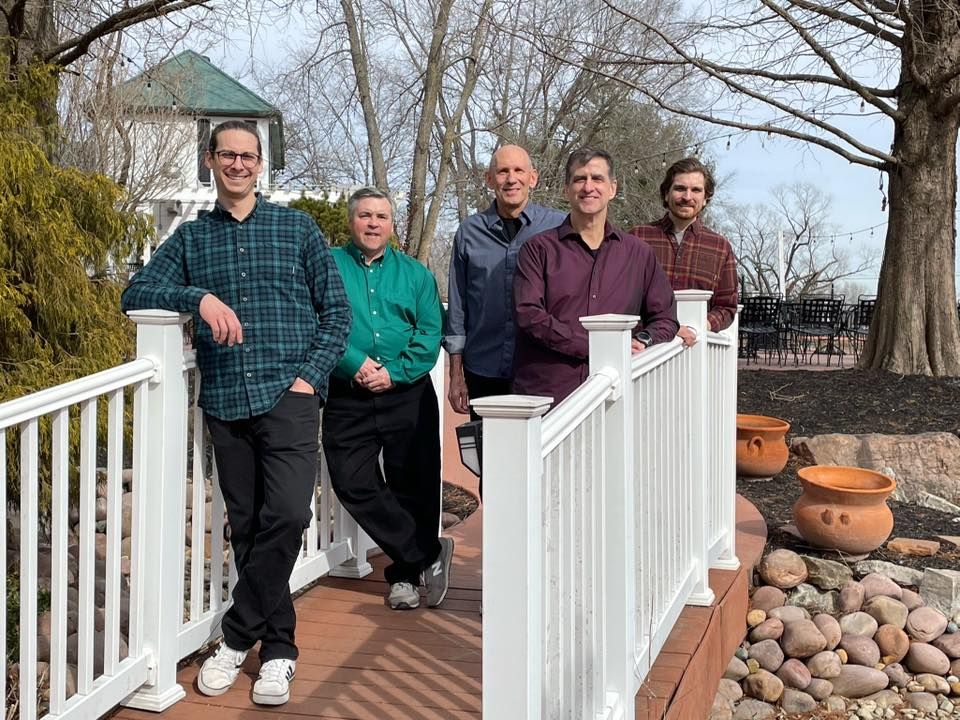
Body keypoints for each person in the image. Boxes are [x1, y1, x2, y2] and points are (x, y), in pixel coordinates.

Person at [121, 121, 351, 705]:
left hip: (289, 396)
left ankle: (232, 638)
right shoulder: (192, 240)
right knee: (246, 526)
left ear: (260, 164)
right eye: (228, 154)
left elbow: (336, 314)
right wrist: (195, 297)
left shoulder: (297, 228)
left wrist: (309, 379)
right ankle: (278, 651)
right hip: (226, 399)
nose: (239, 164)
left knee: (289, 515)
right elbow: (135, 292)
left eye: (249, 156)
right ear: (211, 160)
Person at [322, 187, 452, 612]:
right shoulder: (328, 267)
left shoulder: (416, 275)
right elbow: (318, 322)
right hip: (348, 390)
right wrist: (355, 363)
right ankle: (427, 554)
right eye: (365, 215)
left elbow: (429, 333)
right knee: (351, 480)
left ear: (392, 224)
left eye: (381, 216)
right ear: (351, 221)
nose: (373, 223)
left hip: (408, 393)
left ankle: (404, 578)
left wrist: (393, 373)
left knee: (414, 483)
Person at [512, 147, 679, 404]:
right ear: (565, 189)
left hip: (617, 393)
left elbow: (665, 318)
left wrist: (644, 339)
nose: (588, 186)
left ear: (612, 189)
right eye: (580, 179)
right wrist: (595, 346)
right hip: (549, 396)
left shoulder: (639, 254)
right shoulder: (538, 250)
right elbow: (529, 315)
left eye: (597, 179)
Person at [444, 145, 565, 418]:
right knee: (490, 457)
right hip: (484, 370)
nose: (511, 179)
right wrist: (456, 375)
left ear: (533, 178)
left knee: (541, 457)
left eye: (519, 170)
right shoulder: (469, 233)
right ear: (490, 180)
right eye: (503, 171)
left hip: (541, 369)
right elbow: (458, 307)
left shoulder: (557, 228)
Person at [630, 157, 738, 345]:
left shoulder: (720, 247)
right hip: (643, 352)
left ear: (705, 198)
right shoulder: (637, 238)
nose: (687, 197)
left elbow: (727, 307)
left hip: (694, 354)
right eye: (680, 188)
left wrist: (700, 326)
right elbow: (620, 297)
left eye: (696, 190)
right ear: (666, 194)